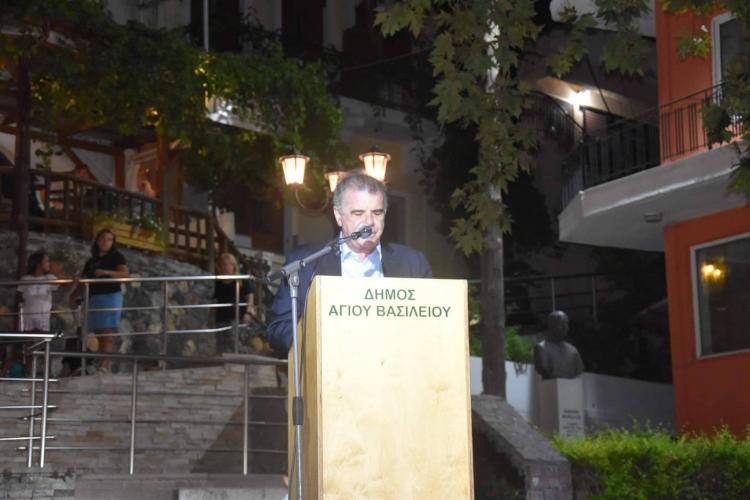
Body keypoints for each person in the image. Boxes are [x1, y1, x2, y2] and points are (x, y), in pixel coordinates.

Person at [266, 173, 432, 356]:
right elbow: (278, 330)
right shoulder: (306, 262)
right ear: (339, 216)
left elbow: (431, 327)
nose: (369, 222)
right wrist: (326, 341)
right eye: (358, 213)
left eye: (377, 213)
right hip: (331, 367)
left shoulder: (413, 263)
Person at [71, 228, 129, 372]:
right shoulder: (92, 261)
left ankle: (104, 365)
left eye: (109, 240)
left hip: (110, 295)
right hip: (94, 297)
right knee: (99, 331)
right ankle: (103, 363)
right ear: (97, 241)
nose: (105, 242)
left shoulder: (116, 256)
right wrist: (75, 292)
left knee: (106, 331)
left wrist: (106, 272)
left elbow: (124, 274)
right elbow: (84, 279)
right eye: (103, 239)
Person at [212, 253, 255, 354]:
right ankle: (221, 361)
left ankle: (241, 359)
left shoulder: (241, 279)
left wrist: (248, 312)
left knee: (234, 342)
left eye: (226, 264)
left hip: (236, 317)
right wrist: (211, 317)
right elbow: (216, 300)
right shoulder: (219, 282)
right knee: (220, 344)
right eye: (222, 265)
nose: (224, 267)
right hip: (221, 317)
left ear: (233, 266)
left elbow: (250, 297)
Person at [533, 310, 584, 380]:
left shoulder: (573, 350)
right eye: (562, 323)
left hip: (572, 385)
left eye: (566, 323)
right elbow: (544, 370)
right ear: (551, 325)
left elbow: (580, 372)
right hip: (552, 385)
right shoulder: (541, 348)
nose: (565, 327)